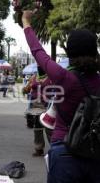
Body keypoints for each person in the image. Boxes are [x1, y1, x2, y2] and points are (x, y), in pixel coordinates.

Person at [22, 10, 100, 183]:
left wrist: (26, 22)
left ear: (70, 52)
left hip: (64, 152)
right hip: (96, 153)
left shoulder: (62, 76)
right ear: (95, 52)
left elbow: (37, 50)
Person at [23, 66, 52, 156]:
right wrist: (25, 90)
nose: (40, 67)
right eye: (38, 66)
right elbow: (27, 89)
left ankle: (55, 148)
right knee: (37, 129)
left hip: (47, 106)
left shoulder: (51, 77)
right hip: (35, 106)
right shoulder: (34, 77)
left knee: (49, 129)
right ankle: (39, 149)